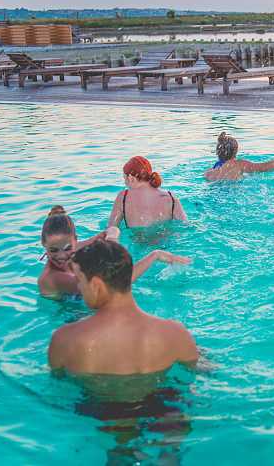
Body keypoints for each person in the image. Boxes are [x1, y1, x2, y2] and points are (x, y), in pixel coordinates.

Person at [48, 239, 199, 374]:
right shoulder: (175, 333)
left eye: (79, 280)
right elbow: (204, 372)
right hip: (161, 403)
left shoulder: (64, 339)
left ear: (96, 285)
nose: (79, 287)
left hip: (94, 404)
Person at [39, 205, 191, 300]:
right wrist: (154, 255)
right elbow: (117, 283)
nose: (61, 256)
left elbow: (110, 230)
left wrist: (111, 240)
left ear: (75, 240)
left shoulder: (74, 248)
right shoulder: (50, 278)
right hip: (73, 324)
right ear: (43, 243)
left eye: (67, 248)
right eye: (53, 250)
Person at [108, 156, 188, 228]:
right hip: (166, 243)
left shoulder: (124, 197)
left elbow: (112, 227)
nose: (125, 182)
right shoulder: (170, 197)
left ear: (130, 177)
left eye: (124, 178)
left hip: (137, 242)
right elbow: (185, 224)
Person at [204, 132, 274, 182]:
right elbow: (263, 167)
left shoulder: (209, 172)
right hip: (232, 196)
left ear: (217, 153)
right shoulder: (238, 164)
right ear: (235, 154)